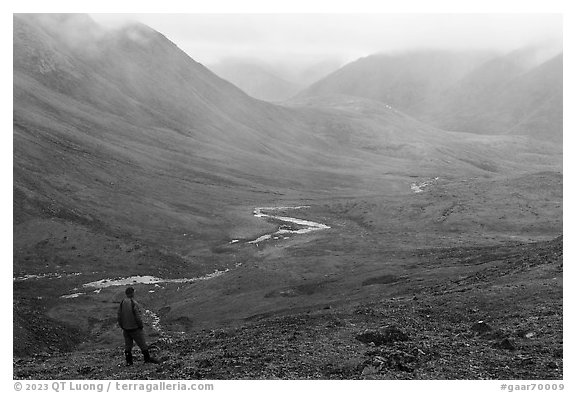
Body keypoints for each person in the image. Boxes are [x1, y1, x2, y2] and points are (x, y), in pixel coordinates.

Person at [117, 287, 159, 365]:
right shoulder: (133, 303)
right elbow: (137, 316)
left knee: (128, 346)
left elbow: (119, 315)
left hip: (126, 329)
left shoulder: (122, 302)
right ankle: (147, 359)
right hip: (135, 328)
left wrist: (122, 326)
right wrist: (140, 326)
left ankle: (129, 361)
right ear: (132, 293)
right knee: (142, 344)